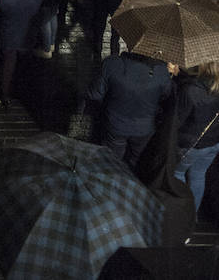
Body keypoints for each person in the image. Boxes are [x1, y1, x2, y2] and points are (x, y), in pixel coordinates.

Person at [86, 51, 173, 168]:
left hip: (115, 125)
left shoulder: (112, 63)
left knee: (111, 162)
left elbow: (95, 95)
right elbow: (166, 96)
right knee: (138, 164)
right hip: (145, 128)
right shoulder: (161, 70)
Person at [0, 0, 44, 105]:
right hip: (29, 35)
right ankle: (25, 92)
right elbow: (41, 3)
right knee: (26, 63)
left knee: (8, 65)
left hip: (8, 37)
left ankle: (5, 95)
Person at [175, 62, 219, 213]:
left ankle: (180, 214)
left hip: (191, 144)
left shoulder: (192, 90)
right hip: (214, 142)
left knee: (177, 173)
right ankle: (192, 215)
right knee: (198, 175)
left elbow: (178, 120)